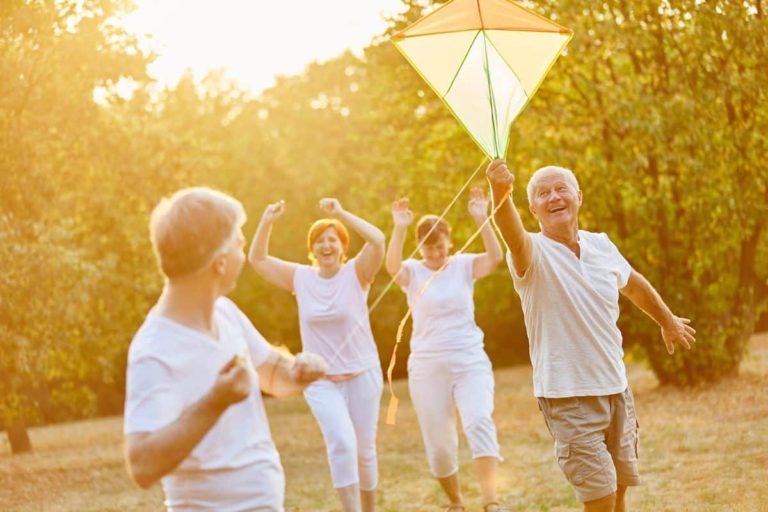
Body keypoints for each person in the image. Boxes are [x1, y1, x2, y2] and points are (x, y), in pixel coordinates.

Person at [485, 161, 696, 512]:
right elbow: (509, 230)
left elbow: (634, 285)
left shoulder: (601, 245)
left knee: (620, 489)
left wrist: (667, 319)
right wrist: (499, 191)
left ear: (578, 197)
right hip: (568, 396)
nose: (553, 196)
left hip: (616, 389)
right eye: (542, 193)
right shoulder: (531, 252)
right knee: (600, 496)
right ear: (533, 208)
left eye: (561, 188)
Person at [123, 187, 327, 512]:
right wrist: (213, 403)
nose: (243, 254)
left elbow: (273, 373)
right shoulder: (154, 348)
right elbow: (142, 465)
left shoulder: (225, 313)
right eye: (239, 244)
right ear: (219, 263)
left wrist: (299, 370)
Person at [249, 198, 386, 512]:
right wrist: (267, 220)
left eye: (332, 239)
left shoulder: (358, 273)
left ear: (342, 247)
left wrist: (340, 213)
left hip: (363, 373)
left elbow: (377, 239)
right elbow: (257, 259)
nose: (326, 245)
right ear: (312, 249)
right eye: (320, 241)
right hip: (319, 380)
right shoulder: (300, 277)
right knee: (341, 441)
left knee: (364, 451)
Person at [385, 187, 506, 512]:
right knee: (439, 444)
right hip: (427, 367)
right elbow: (391, 266)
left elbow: (495, 258)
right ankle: (456, 501)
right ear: (420, 246)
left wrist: (482, 218)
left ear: (448, 241)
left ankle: (491, 501)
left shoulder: (464, 265)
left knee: (479, 421)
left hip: (469, 360)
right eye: (428, 247)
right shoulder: (413, 271)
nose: (435, 253)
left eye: (439, 246)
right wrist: (399, 227)